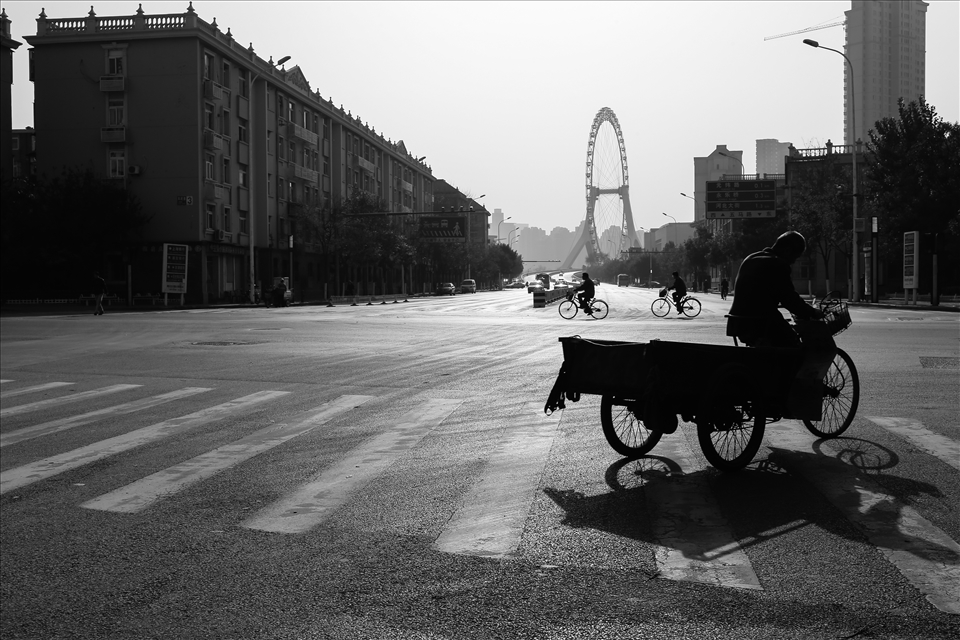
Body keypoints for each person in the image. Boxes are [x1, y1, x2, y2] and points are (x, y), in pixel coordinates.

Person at [726, 230, 823, 349]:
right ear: (787, 250)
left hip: (737, 323)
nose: (793, 262)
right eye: (795, 257)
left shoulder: (751, 258)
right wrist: (812, 312)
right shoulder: (778, 264)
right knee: (793, 344)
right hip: (761, 323)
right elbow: (789, 299)